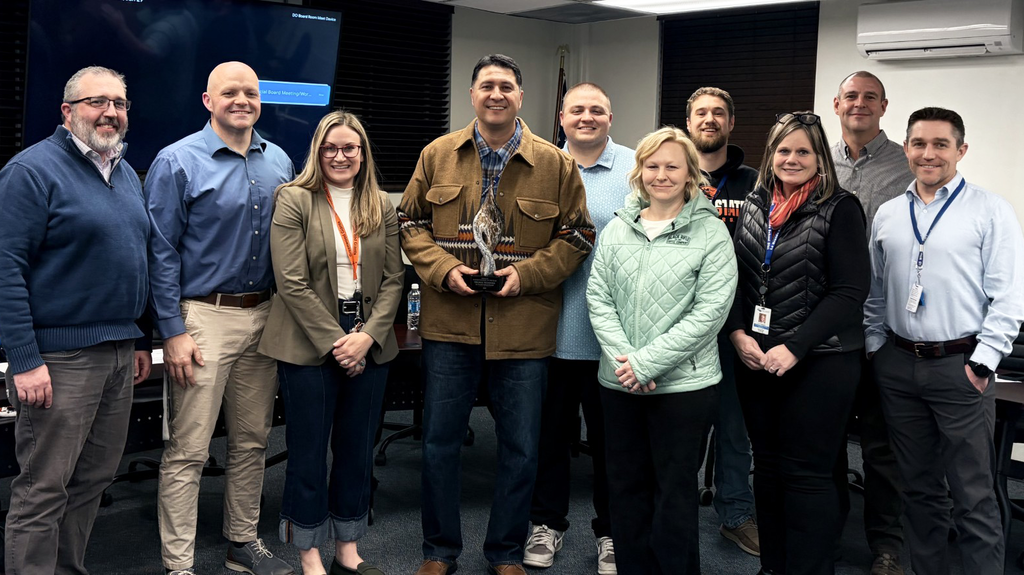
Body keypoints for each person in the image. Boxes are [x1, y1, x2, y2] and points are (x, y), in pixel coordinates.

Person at [398, 53, 594, 575]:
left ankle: (506, 553)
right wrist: (442, 270)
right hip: (449, 323)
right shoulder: (438, 155)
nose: (496, 94)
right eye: (487, 85)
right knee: (439, 444)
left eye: (506, 86)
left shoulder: (555, 163)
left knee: (521, 450)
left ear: (521, 96)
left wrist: (525, 275)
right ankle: (439, 552)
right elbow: (409, 221)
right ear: (472, 94)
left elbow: (578, 235)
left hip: (524, 327)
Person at [0, 65, 152, 574]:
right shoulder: (31, 171)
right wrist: (23, 360)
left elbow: (137, 260)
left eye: (120, 103)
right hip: (58, 359)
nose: (111, 112)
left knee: (93, 481)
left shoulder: (126, 172)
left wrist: (137, 339)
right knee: (43, 489)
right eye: (97, 102)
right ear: (67, 112)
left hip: (116, 352)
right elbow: (6, 269)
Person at [146, 61, 295, 575]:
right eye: (229, 92)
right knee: (188, 449)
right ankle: (179, 564)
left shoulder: (279, 160)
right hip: (202, 319)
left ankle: (242, 542)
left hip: (266, 315)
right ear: (208, 100)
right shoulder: (177, 161)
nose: (241, 100)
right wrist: (172, 332)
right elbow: (160, 253)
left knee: (253, 440)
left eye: (250, 93)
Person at [865, 107, 1024, 575]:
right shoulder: (891, 214)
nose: (928, 154)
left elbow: (1009, 297)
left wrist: (984, 361)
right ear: (907, 148)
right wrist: (876, 347)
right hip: (897, 364)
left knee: (973, 495)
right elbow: (877, 290)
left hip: (961, 368)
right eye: (918, 143)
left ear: (961, 150)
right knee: (918, 489)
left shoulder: (989, 209)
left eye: (940, 144)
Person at [257, 110, 403, 575]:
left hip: (369, 336)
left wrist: (367, 338)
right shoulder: (294, 199)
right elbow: (291, 281)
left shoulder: (382, 204)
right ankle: (308, 553)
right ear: (318, 153)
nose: (340, 156)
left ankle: (348, 549)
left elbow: (396, 279)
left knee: (357, 451)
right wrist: (340, 342)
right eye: (331, 148)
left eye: (350, 148)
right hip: (308, 339)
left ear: (363, 154)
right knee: (308, 451)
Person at [586, 126, 737, 575]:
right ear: (640, 172)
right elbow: (599, 298)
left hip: (684, 387)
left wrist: (648, 363)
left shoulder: (711, 233)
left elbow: (711, 312)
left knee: (673, 492)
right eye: (653, 165)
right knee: (625, 488)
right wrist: (628, 362)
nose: (662, 174)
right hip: (620, 382)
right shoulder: (616, 228)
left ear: (691, 173)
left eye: (673, 166)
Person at [727, 112, 870, 575]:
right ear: (771, 155)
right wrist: (737, 333)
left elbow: (850, 290)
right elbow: (733, 278)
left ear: (819, 158)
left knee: (807, 475)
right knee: (766, 470)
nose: (792, 159)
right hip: (758, 358)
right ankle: (773, 567)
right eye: (784, 150)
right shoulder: (754, 203)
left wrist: (796, 346)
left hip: (821, 360)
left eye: (803, 151)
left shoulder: (839, 208)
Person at [523, 82, 630, 575]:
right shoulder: (538, 165)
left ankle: (612, 531)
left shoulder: (635, 169)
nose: (587, 117)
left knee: (613, 444)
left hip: (616, 340)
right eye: (577, 110)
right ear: (561, 117)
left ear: (610, 117)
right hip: (548, 331)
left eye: (597, 110)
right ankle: (547, 524)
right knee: (549, 439)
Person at [830, 71, 912, 575]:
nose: (859, 104)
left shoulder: (909, 164)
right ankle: (827, 534)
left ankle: (887, 547)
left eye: (870, 98)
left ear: (884, 106)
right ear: (837, 104)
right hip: (831, 328)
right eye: (851, 96)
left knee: (884, 449)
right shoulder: (817, 160)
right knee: (826, 442)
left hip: (884, 327)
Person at [685, 86, 760, 557]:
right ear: (688, 122)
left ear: (731, 123)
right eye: (701, 113)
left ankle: (735, 514)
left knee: (736, 429)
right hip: (682, 325)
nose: (709, 120)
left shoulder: (756, 182)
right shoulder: (671, 175)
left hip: (737, 326)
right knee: (680, 427)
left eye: (718, 114)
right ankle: (670, 508)